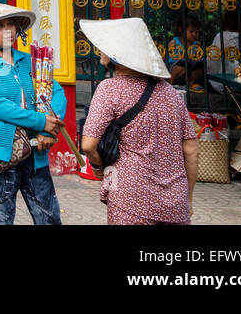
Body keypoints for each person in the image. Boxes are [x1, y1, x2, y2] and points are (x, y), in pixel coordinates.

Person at [79, 17, 197, 226]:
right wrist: (187, 199)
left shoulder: (110, 89)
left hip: (130, 199)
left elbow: (88, 145)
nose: (100, 50)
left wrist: (98, 166)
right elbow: (191, 150)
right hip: (175, 204)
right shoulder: (170, 93)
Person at [0, 0, 65, 226]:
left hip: (37, 151)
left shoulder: (29, 61)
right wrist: (40, 121)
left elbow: (55, 93)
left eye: (11, 24)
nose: (7, 31)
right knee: (1, 218)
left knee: (49, 217)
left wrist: (49, 130)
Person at [167, 14, 206, 91]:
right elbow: (170, 60)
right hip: (176, 68)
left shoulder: (197, 44)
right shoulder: (174, 42)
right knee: (183, 63)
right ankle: (169, 84)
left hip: (190, 69)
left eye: (197, 32)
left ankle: (191, 83)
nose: (194, 34)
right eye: (191, 31)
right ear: (181, 29)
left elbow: (198, 58)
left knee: (200, 64)